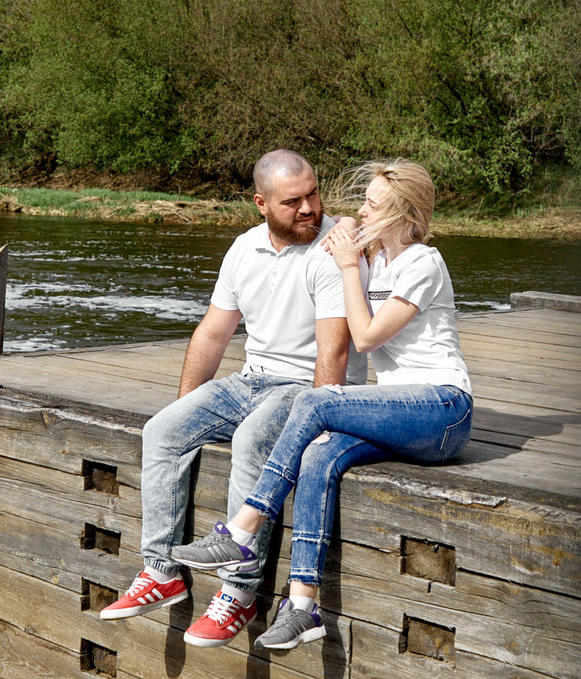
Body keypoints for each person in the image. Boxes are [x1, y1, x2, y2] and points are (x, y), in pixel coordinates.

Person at [172, 160, 474, 652]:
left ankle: (244, 528)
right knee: (318, 455)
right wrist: (353, 249)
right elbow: (342, 242)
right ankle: (303, 604)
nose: (358, 210)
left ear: (399, 215)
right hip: (396, 410)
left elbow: (366, 336)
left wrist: (347, 263)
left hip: (443, 409)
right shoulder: (374, 258)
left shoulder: (423, 262)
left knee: (315, 403)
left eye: (371, 205)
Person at [97, 149, 363, 645]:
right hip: (251, 379)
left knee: (249, 442)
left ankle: (238, 594)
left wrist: (323, 423)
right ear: (261, 204)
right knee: (162, 430)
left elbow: (336, 350)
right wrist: (185, 409)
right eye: (292, 202)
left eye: (313, 194)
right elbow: (213, 335)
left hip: (303, 388)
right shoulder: (243, 249)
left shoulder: (333, 251)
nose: (309, 208)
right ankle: (162, 572)